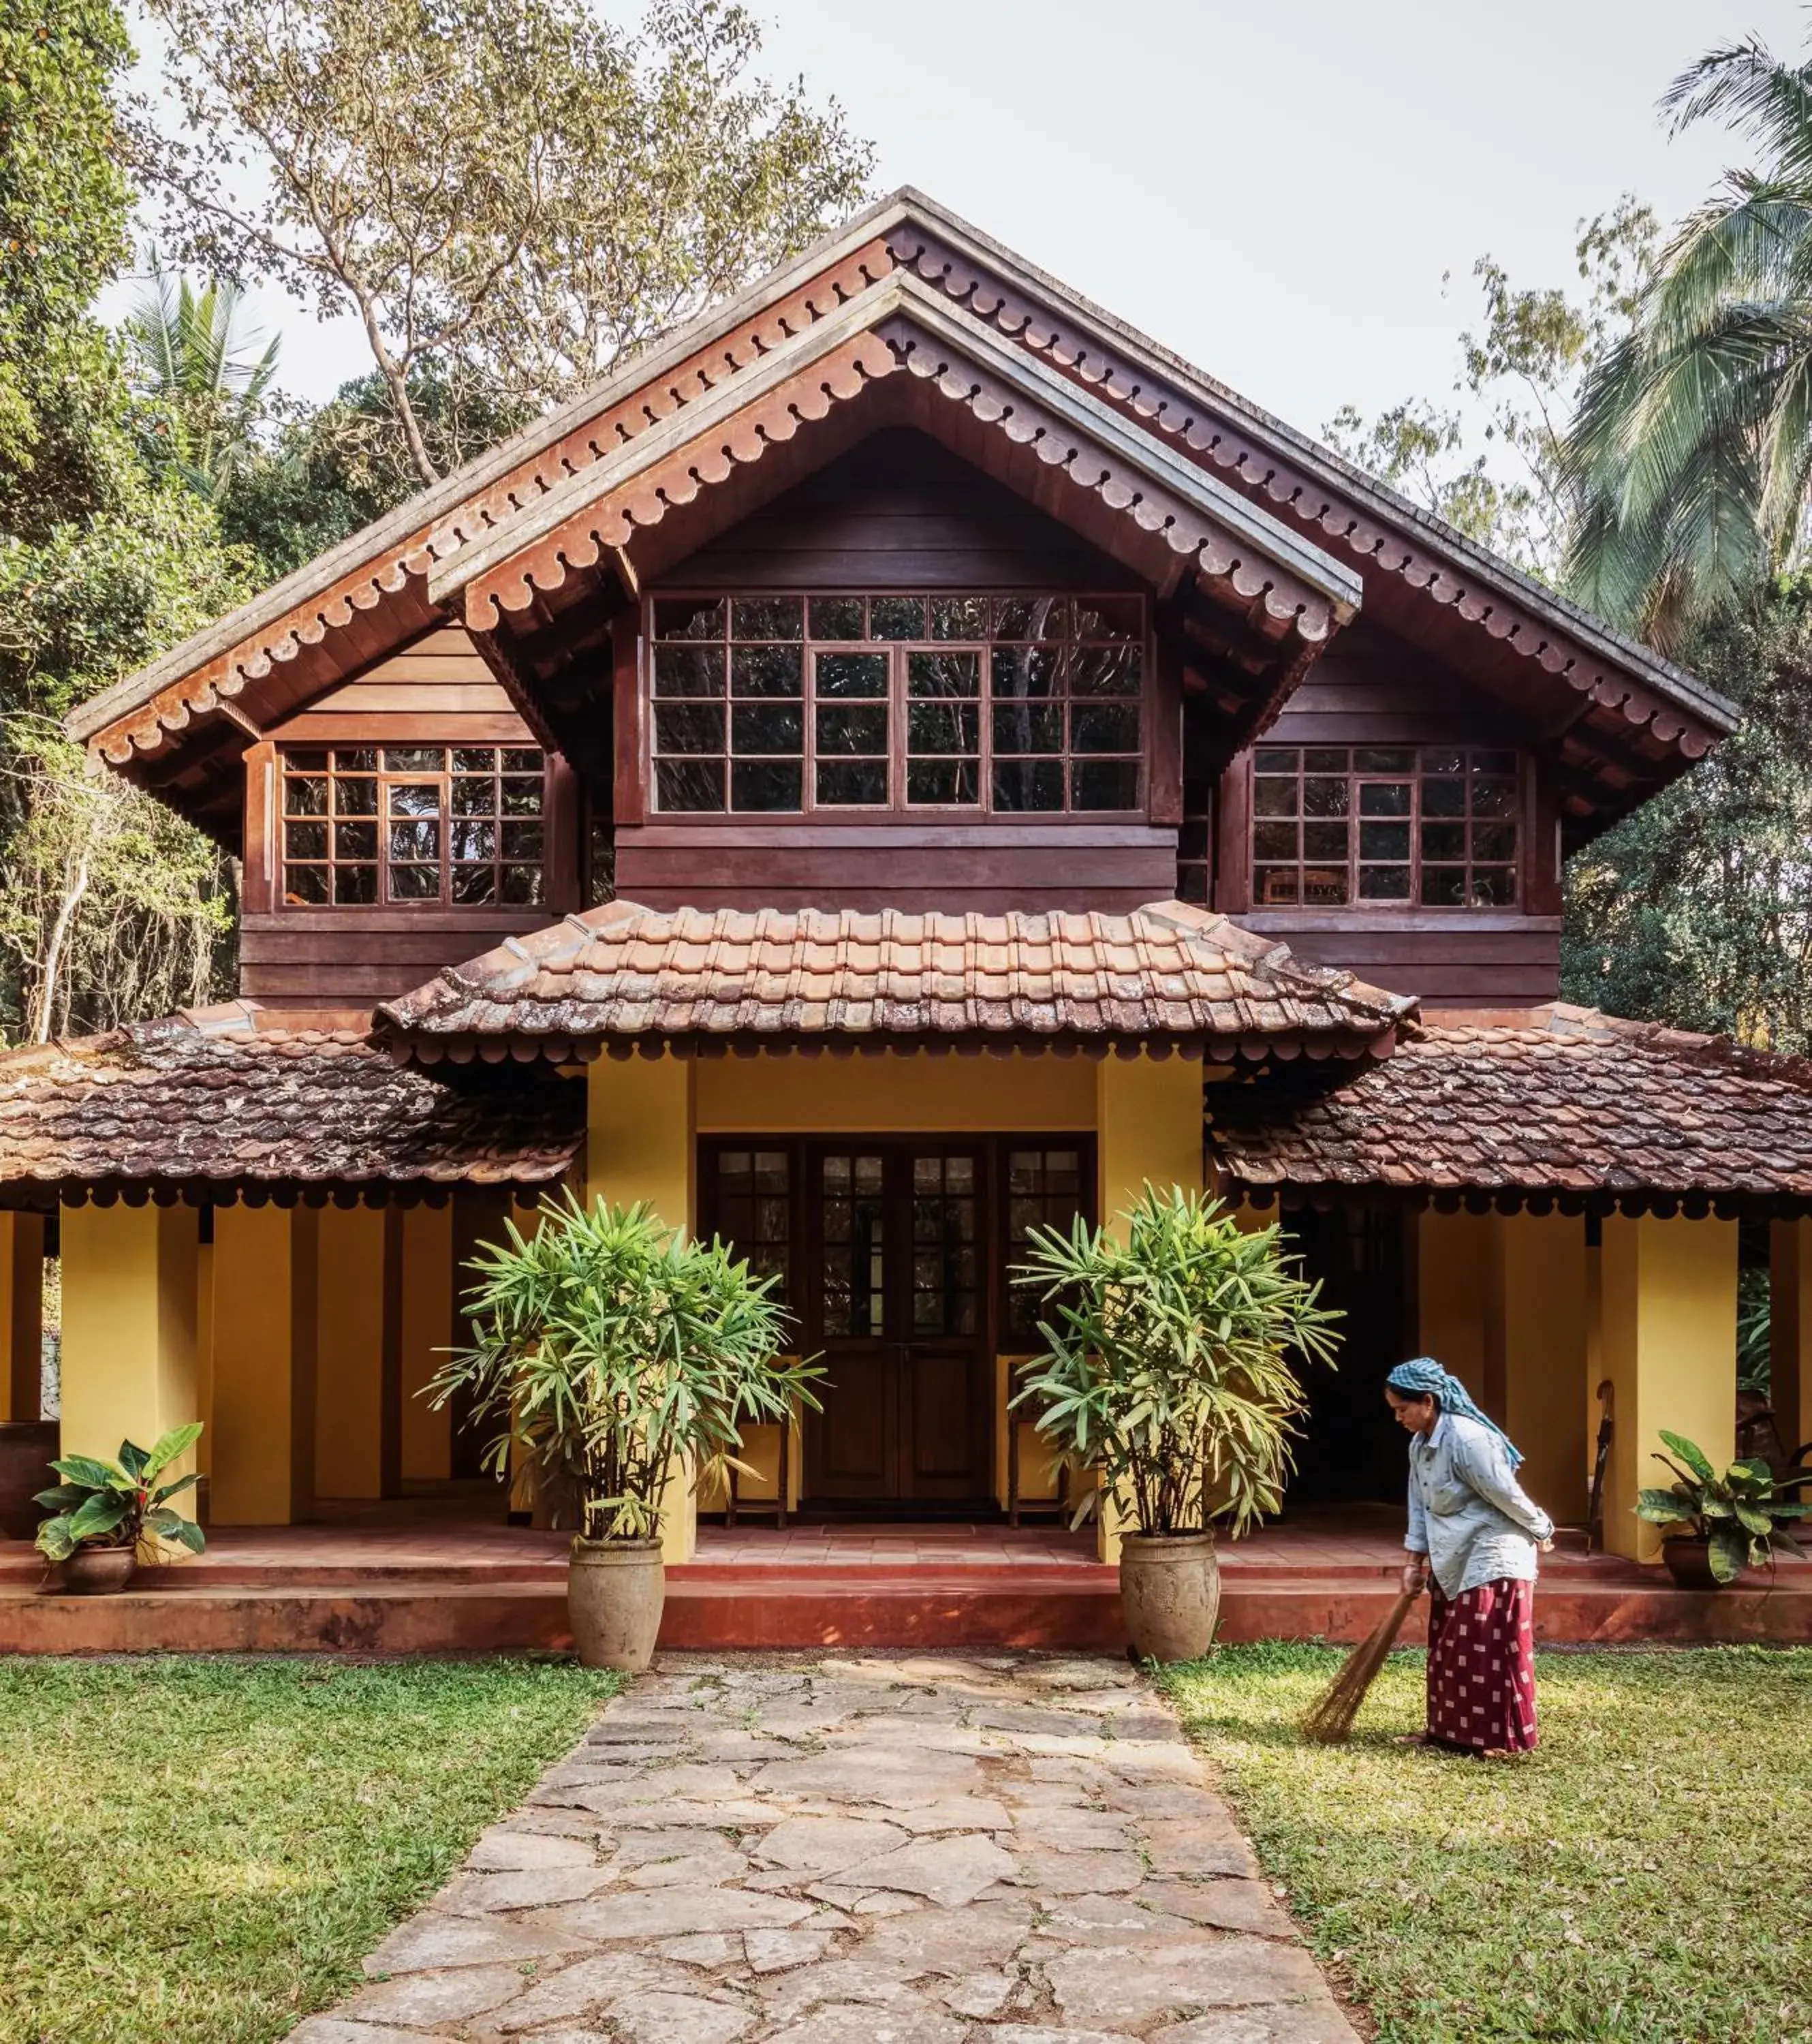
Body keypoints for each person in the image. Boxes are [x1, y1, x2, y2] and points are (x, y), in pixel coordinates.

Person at [1384, 1357, 1555, 1757]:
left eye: (1402, 1409)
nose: (1398, 1418)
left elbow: (1507, 1496)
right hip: (1455, 1557)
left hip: (1495, 1557)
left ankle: (1503, 1741)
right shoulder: (1419, 1446)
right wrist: (1413, 1563)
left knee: (1492, 1652)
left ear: (1428, 1401)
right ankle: (1448, 1734)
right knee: (1451, 1650)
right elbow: (1419, 1507)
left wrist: (1543, 1529)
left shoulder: (1468, 1440)